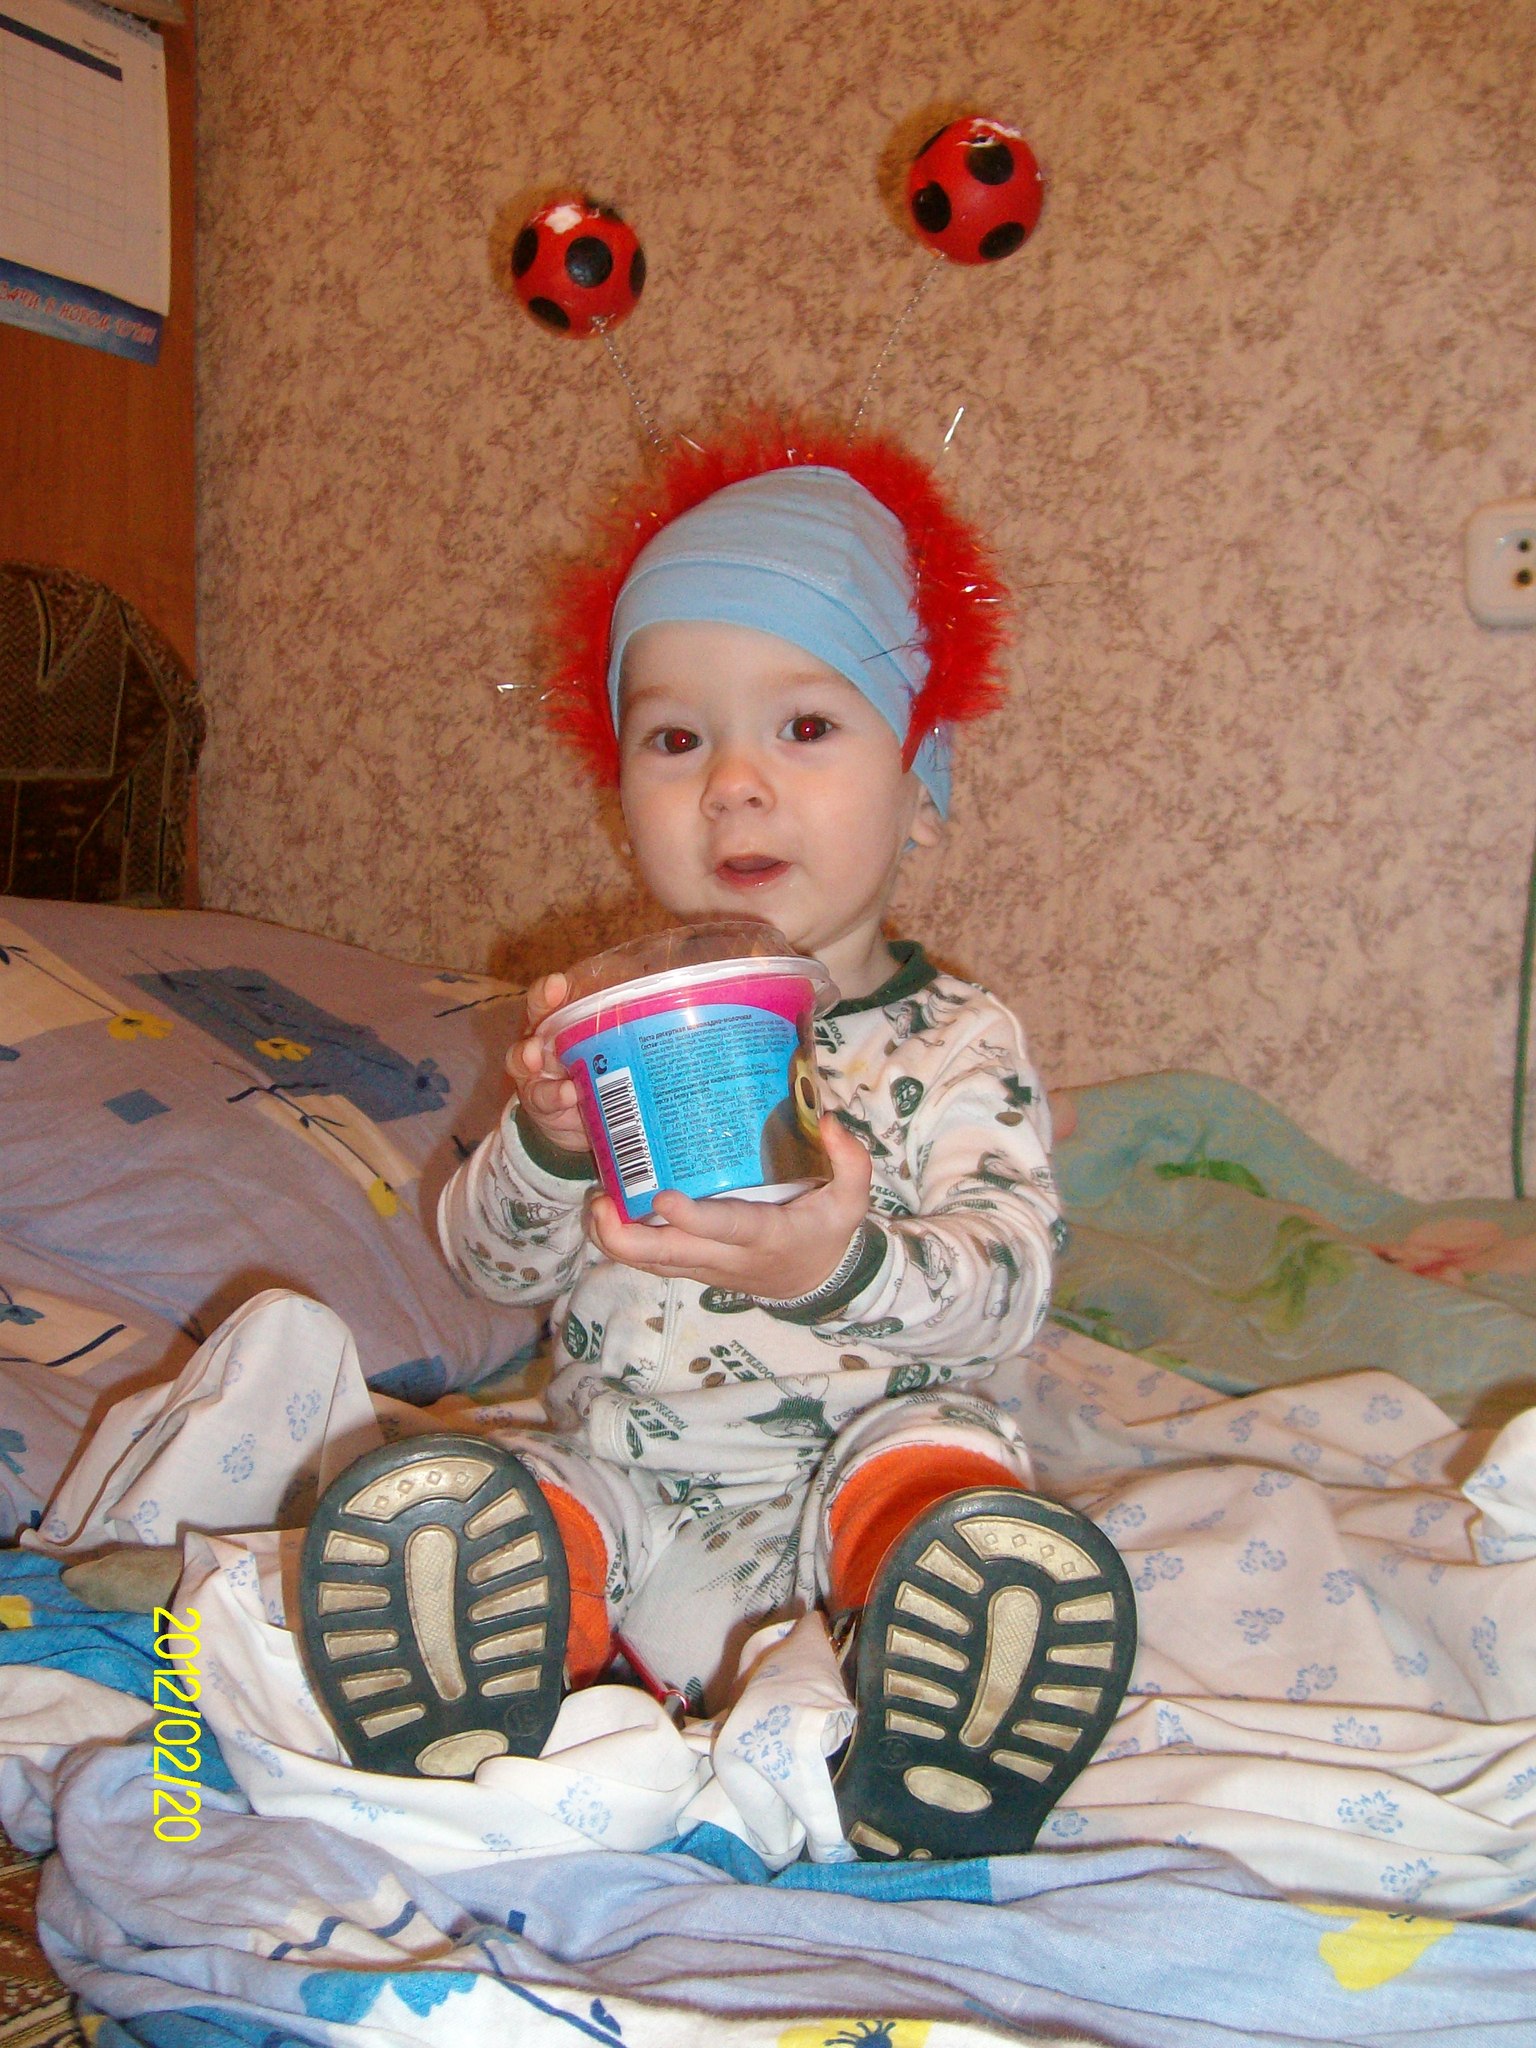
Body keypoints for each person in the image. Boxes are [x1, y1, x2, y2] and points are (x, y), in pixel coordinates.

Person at [296, 420, 1136, 1861]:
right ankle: (498, 1665)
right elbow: (490, 1267)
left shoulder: (958, 1040)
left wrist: (837, 1266)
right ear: (624, 796)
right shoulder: (607, 1030)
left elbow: (1007, 1285)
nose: (732, 783)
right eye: (677, 739)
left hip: (865, 1488)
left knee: (942, 1459)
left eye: (804, 728)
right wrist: (550, 1146)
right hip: (632, 1472)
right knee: (521, 1490)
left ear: (919, 786)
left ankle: (947, 1684)